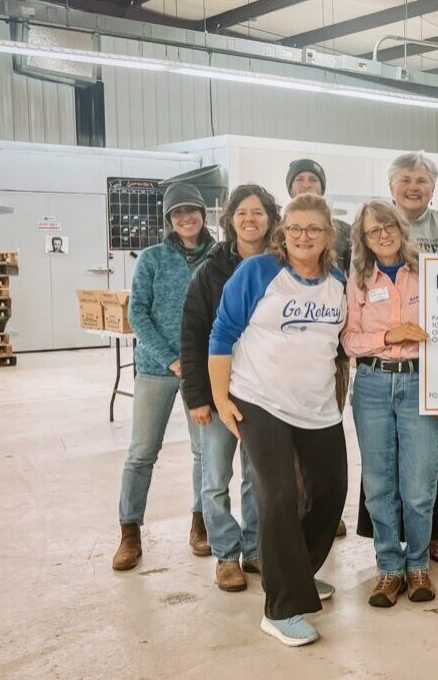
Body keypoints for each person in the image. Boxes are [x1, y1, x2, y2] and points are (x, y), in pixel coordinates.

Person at [209, 193, 349, 647]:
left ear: (328, 234)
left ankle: (297, 572)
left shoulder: (339, 280)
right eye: (293, 228)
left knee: (330, 492)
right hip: (259, 400)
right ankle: (282, 606)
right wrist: (219, 396)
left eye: (313, 229)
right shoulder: (258, 272)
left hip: (317, 405)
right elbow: (223, 332)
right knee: (279, 496)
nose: (302, 237)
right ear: (282, 232)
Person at [355, 151, 438, 565]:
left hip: (433, 369)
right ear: (391, 188)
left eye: (421, 180)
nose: (413, 186)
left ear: (433, 187)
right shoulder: (369, 246)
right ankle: (388, 551)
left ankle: (432, 538)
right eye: (405, 179)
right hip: (378, 376)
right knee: (382, 472)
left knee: (434, 464)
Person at [343, 200, 438, 607]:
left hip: (420, 383)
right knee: (379, 484)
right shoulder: (359, 280)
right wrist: (389, 336)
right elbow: (348, 338)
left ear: (401, 227)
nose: (382, 234)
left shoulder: (430, 272)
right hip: (371, 384)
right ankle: (388, 566)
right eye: (372, 230)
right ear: (363, 239)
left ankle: (418, 564)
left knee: (419, 485)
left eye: (388, 226)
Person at [180, 184, 279, 591]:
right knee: (215, 474)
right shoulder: (211, 269)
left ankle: (255, 549)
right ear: (230, 220)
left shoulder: (282, 266)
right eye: (242, 213)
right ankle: (226, 554)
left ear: (271, 219)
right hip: (218, 390)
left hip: (261, 392)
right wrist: (198, 396)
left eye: (258, 212)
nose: (250, 219)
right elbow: (193, 333)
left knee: (257, 476)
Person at [112, 182, 214, 571]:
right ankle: (129, 532)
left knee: (205, 453)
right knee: (141, 453)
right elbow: (138, 312)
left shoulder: (219, 256)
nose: (185, 218)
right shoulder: (152, 258)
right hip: (158, 370)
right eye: (177, 213)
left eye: (191, 210)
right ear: (169, 220)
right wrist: (173, 359)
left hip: (203, 372)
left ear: (203, 214)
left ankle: (200, 525)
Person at [286, 158, 350, 539]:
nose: (307, 184)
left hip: (332, 356)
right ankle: (295, 508)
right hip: (286, 359)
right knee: (287, 445)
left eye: (313, 179)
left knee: (323, 435)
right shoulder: (285, 233)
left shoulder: (340, 235)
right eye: (300, 179)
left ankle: (322, 508)